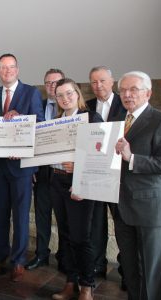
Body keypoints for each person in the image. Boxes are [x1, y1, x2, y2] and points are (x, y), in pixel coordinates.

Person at [0, 53, 44, 282]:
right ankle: (0, 258)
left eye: (11, 67)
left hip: (22, 167)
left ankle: (18, 261)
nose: (7, 71)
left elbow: (39, 122)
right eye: (2, 67)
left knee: (20, 215)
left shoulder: (31, 92)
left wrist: (20, 118)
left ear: (17, 70)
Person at [114, 71, 161, 300]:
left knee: (151, 270)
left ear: (148, 92)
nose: (127, 94)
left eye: (133, 89)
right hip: (122, 205)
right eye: (123, 90)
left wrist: (132, 158)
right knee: (130, 268)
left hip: (149, 207)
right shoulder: (119, 122)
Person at [50, 78, 103, 300]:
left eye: (69, 93)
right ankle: (70, 282)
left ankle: (87, 286)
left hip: (81, 184)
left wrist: (79, 166)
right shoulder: (56, 120)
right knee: (66, 235)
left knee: (81, 237)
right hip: (57, 182)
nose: (65, 98)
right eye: (60, 95)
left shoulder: (91, 117)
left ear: (77, 93)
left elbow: (101, 153)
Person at [86, 66, 127, 283]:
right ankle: (97, 266)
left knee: (121, 225)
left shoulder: (125, 103)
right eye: (93, 82)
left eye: (102, 80)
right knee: (96, 224)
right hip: (95, 173)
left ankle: (125, 272)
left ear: (112, 81)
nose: (98, 85)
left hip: (118, 175)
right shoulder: (88, 106)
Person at [25, 68, 65, 271]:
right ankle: (41, 254)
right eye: (48, 83)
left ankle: (65, 258)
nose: (52, 86)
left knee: (65, 218)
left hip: (64, 172)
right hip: (42, 171)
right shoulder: (37, 106)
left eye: (56, 82)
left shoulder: (70, 109)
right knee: (42, 215)